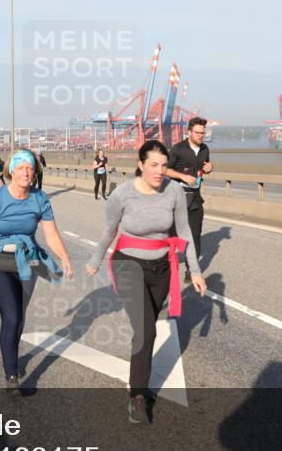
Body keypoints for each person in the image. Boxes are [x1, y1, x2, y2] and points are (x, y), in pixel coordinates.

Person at [87, 140, 206, 423]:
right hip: (128, 264)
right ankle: (137, 396)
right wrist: (95, 260)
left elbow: (185, 233)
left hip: (162, 268)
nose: (159, 171)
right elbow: (109, 230)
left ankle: (139, 377)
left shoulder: (174, 191)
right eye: (153, 165)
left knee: (147, 326)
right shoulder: (122, 194)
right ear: (140, 164)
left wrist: (195, 270)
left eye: (164, 165)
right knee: (145, 330)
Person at [0, 149, 74, 395]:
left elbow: (51, 235)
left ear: (35, 173)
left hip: (26, 263)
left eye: (30, 168)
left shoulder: (40, 199)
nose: (26, 172)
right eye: (21, 167)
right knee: (12, 316)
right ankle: (11, 374)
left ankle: (11, 360)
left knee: (18, 317)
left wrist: (64, 256)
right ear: (11, 170)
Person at [164, 117, 213, 276]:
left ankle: (191, 271)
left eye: (202, 133)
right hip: (177, 199)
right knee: (172, 236)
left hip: (195, 199)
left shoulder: (205, 149)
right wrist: (182, 176)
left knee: (195, 236)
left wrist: (210, 167)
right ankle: (164, 266)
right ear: (189, 132)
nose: (200, 136)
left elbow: (204, 167)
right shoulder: (178, 149)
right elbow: (165, 170)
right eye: (197, 133)